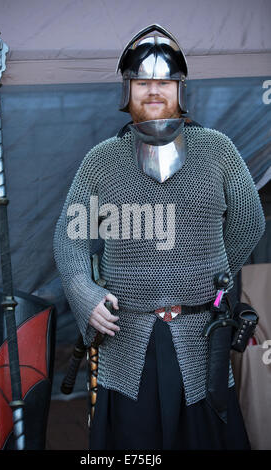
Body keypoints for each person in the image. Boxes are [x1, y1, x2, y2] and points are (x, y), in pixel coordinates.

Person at [53, 24, 266, 450]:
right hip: (127, 336)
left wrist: (207, 270)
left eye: (164, 81)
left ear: (180, 88)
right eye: (142, 81)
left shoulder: (217, 151)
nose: (154, 90)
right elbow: (69, 239)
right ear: (127, 90)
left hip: (200, 335)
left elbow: (248, 224)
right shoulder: (102, 161)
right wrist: (85, 293)